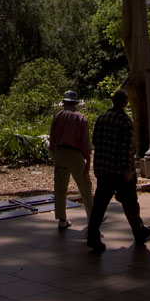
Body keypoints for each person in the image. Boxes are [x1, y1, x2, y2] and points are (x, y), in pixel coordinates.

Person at [86, 88, 150, 252]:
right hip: (119, 171)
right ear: (125, 103)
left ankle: (92, 235)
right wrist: (127, 171)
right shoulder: (125, 122)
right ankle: (138, 231)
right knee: (130, 203)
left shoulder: (101, 118)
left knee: (99, 205)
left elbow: (95, 140)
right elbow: (126, 149)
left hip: (103, 169)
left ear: (112, 101)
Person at [49, 90, 94, 229]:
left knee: (60, 187)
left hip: (60, 152)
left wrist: (55, 152)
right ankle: (92, 217)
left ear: (64, 102)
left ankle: (62, 219)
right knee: (84, 185)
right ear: (76, 103)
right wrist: (88, 161)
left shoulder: (58, 116)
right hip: (75, 154)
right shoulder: (81, 118)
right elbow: (85, 142)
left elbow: (52, 136)